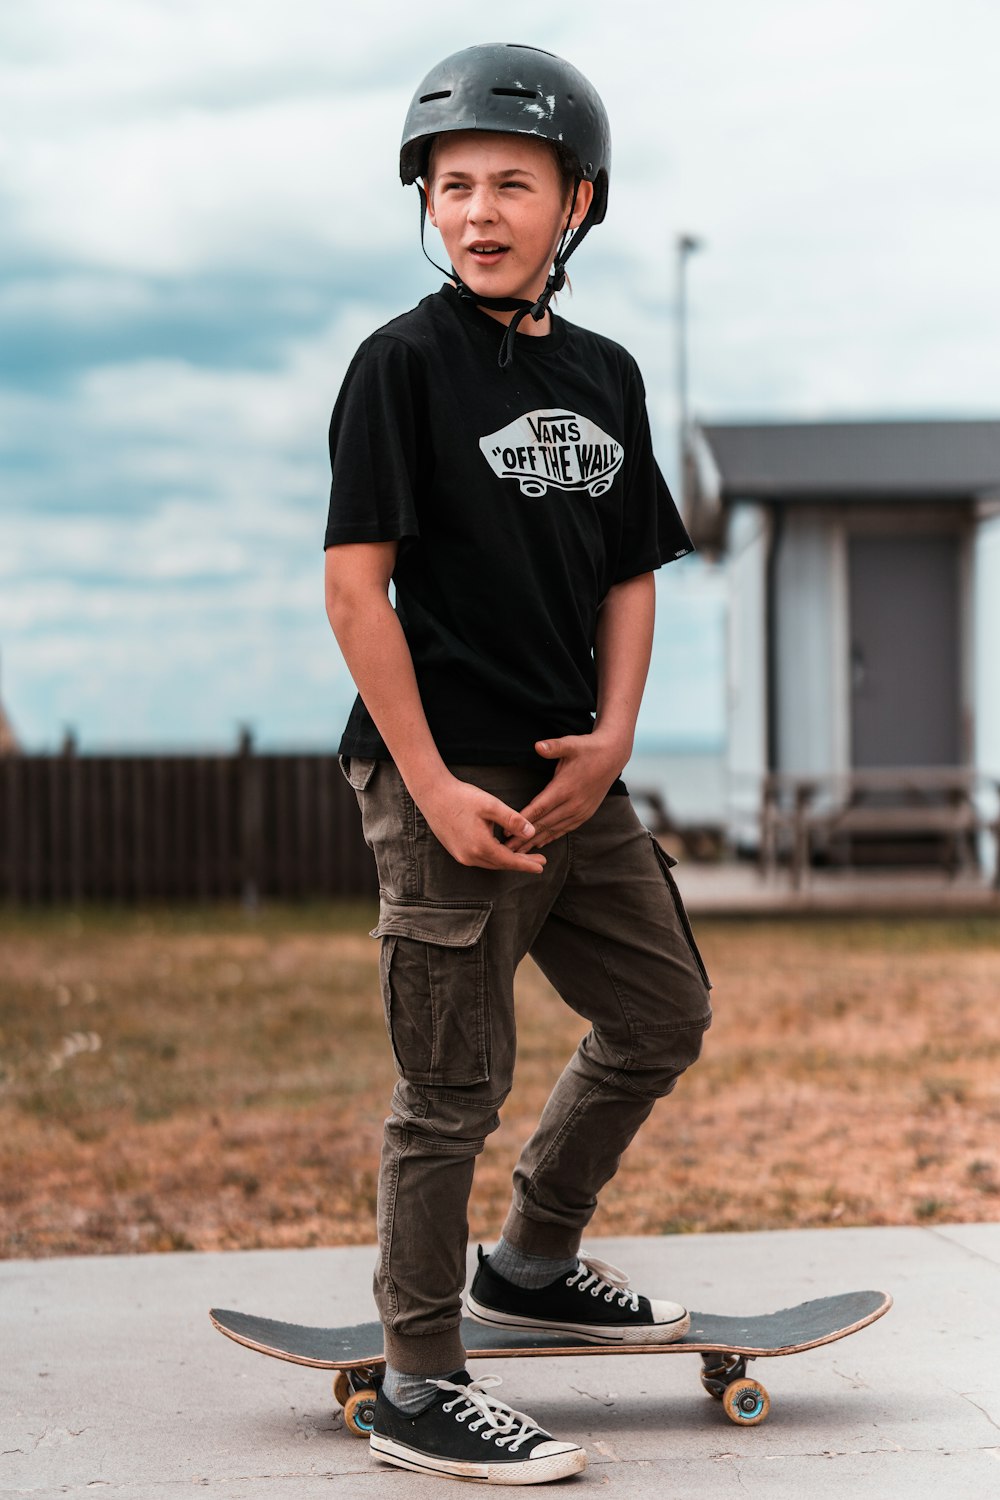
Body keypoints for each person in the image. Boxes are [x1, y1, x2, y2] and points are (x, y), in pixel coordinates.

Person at [323, 41, 713, 1485]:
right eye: (451, 184)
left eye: (511, 185)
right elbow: (357, 591)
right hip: (448, 779)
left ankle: (534, 1259)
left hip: (573, 779)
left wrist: (613, 741)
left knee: (662, 1013)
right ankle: (422, 1379)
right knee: (449, 1087)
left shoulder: (607, 376)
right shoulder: (402, 368)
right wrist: (427, 786)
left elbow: (631, 578)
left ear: (577, 204)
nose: (476, 210)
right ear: (427, 203)